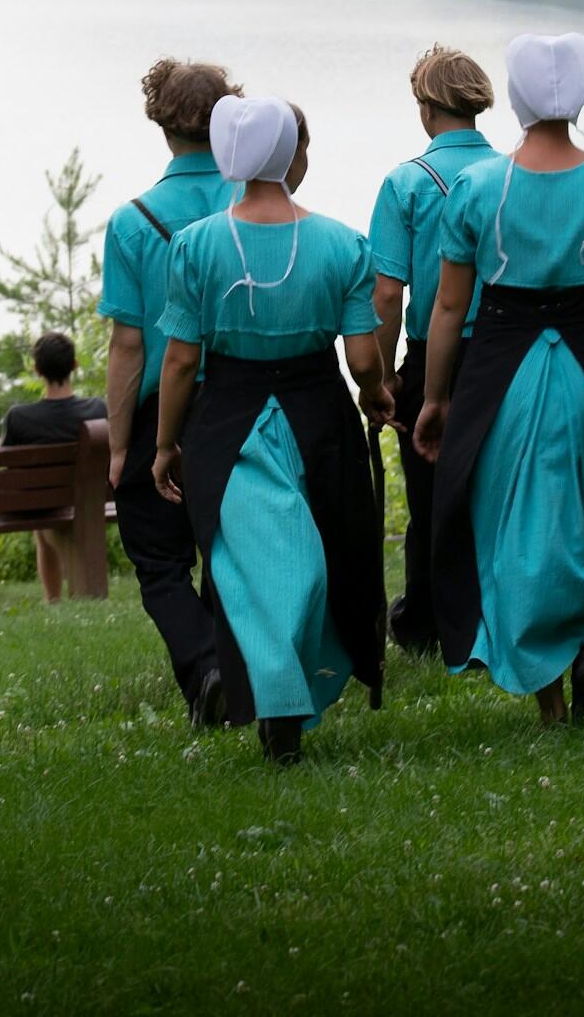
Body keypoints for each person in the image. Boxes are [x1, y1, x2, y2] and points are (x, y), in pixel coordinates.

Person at [414, 33, 584, 726]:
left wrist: (436, 398)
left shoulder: (478, 188)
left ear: (519, 97)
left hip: (501, 365)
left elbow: (448, 306)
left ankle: (553, 696)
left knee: (515, 522)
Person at [153, 97, 392, 765]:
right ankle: (288, 695)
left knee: (243, 566)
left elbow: (179, 359)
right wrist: (376, 396)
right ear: (292, 155)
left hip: (225, 421)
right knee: (317, 560)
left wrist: (166, 443)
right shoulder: (343, 243)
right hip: (319, 417)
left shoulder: (195, 245)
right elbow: (364, 357)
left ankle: (276, 694)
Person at [98, 58, 242, 726]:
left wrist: (120, 446)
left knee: (158, 560)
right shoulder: (254, 203)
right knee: (232, 548)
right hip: (245, 394)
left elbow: (128, 347)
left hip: (164, 406)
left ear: (161, 125)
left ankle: (205, 665)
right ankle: (232, 671)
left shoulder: (133, 223)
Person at [368, 45, 499, 654]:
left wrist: (382, 376)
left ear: (426, 107)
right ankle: (495, 614)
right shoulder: (511, 172)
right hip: (503, 348)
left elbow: (389, 294)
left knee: (428, 496)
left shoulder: (406, 184)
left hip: (432, 356)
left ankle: (427, 621)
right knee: (496, 489)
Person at [1, 331, 108, 602]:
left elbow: (5, 464)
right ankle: (62, 596)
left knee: (44, 516)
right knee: (59, 504)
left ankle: (53, 599)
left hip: (39, 502)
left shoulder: (19, 417)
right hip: (90, 498)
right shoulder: (98, 409)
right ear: (75, 365)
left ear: (37, 370)